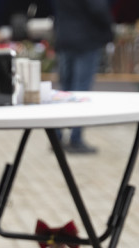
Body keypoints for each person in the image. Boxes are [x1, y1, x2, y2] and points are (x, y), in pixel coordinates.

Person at [52, 0, 114, 154]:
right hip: (86, 40)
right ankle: (75, 138)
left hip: (64, 38)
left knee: (65, 91)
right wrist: (109, 32)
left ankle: (57, 137)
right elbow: (98, 8)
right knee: (81, 91)